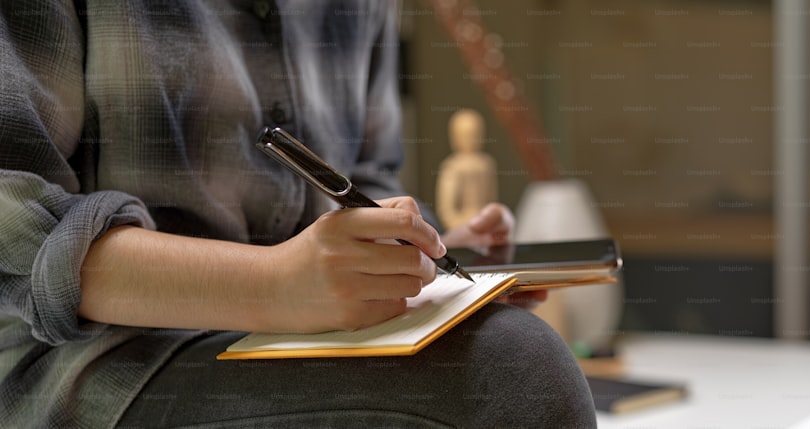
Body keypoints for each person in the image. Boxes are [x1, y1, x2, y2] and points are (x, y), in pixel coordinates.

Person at [0, 1, 595, 427]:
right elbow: (13, 224)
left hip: (288, 335)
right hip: (82, 363)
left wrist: (413, 256)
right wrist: (273, 284)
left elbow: (365, 178)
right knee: (511, 374)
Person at [436, 108, 499, 231]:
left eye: (475, 134)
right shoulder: (452, 166)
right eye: (466, 135)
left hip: (485, 225)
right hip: (463, 226)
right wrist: (461, 225)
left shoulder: (487, 164)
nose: (471, 139)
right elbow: (446, 210)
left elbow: (492, 201)